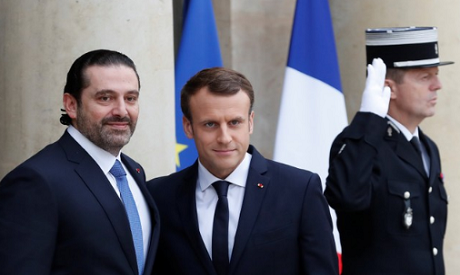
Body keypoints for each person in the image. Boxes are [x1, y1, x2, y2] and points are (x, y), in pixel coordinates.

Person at [147, 67, 338, 274]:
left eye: (234, 122)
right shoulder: (159, 195)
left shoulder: (300, 190)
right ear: (188, 127)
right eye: (210, 124)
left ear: (250, 122)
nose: (225, 137)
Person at [0, 49, 159, 275]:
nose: (122, 111)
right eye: (105, 98)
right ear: (71, 105)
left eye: (130, 98)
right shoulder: (35, 182)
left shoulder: (134, 172)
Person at [325, 27, 452, 275]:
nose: (437, 85)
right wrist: (369, 118)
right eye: (425, 77)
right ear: (389, 88)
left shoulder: (427, 147)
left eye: (435, 75)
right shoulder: (360, 145)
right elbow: (346, 197)